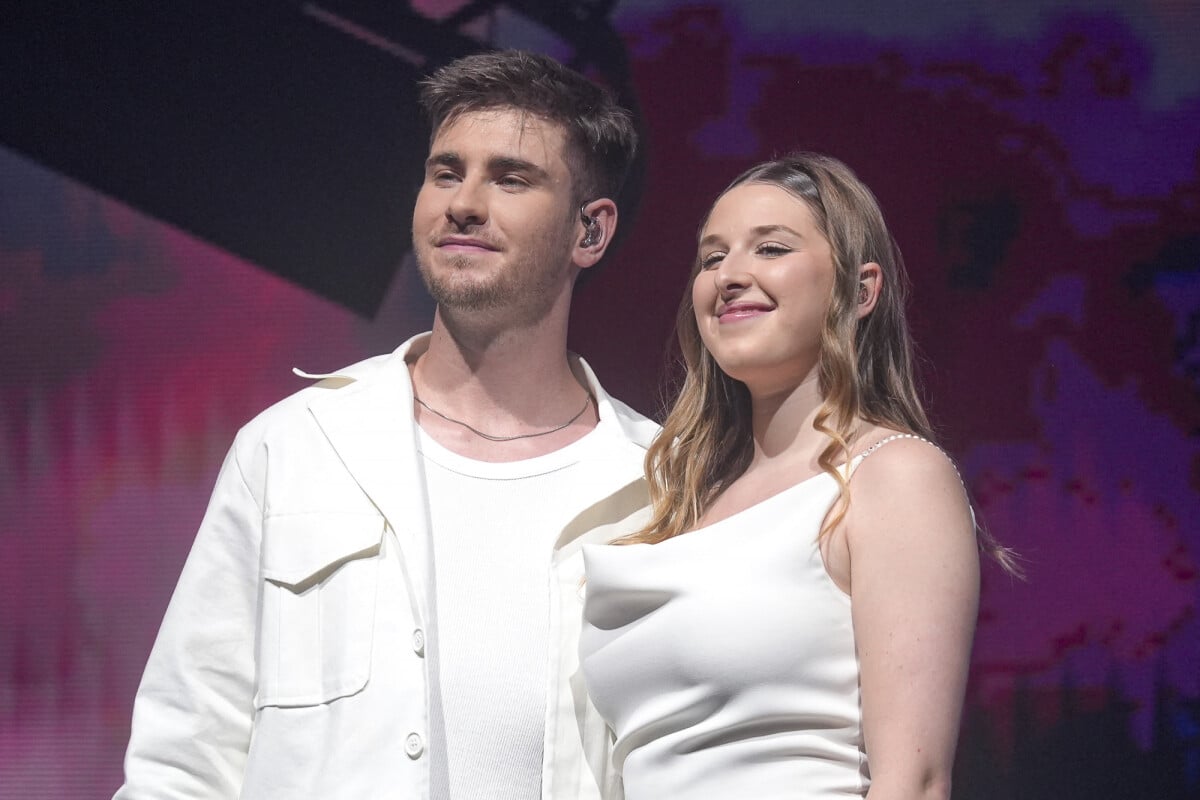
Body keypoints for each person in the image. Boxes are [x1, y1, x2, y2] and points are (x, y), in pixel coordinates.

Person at [115, 49, 658, 799]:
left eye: (510, 177)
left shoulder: (659, 482)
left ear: (590, 233)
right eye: (445, 172)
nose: (463, 202)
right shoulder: (296, 445)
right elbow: (184, 754)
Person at [580, 153, 1018, 799]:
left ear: (860, 290)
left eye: (771, 249)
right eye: (711, 258)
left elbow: (916, 782)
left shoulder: (892, 478)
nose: (730, 276)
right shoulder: (675, 503)